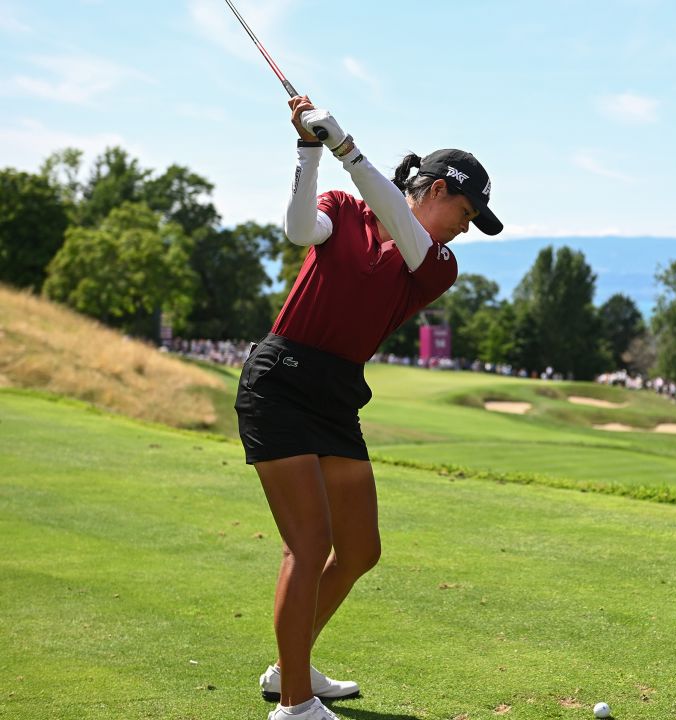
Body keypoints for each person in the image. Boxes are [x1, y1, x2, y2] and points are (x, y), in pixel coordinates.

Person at [237, 96, 503, 720]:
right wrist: (310, 149)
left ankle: (289, 668)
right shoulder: (347, 211)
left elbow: (401, 226)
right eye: (466, 212)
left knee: (359, 549)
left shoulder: (436, 264)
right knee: (308, 543)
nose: (466, 228)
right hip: (280, 382)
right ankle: (295, 706)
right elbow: (301, 231)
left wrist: (348, 150)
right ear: (436, 189)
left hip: (335, 397)